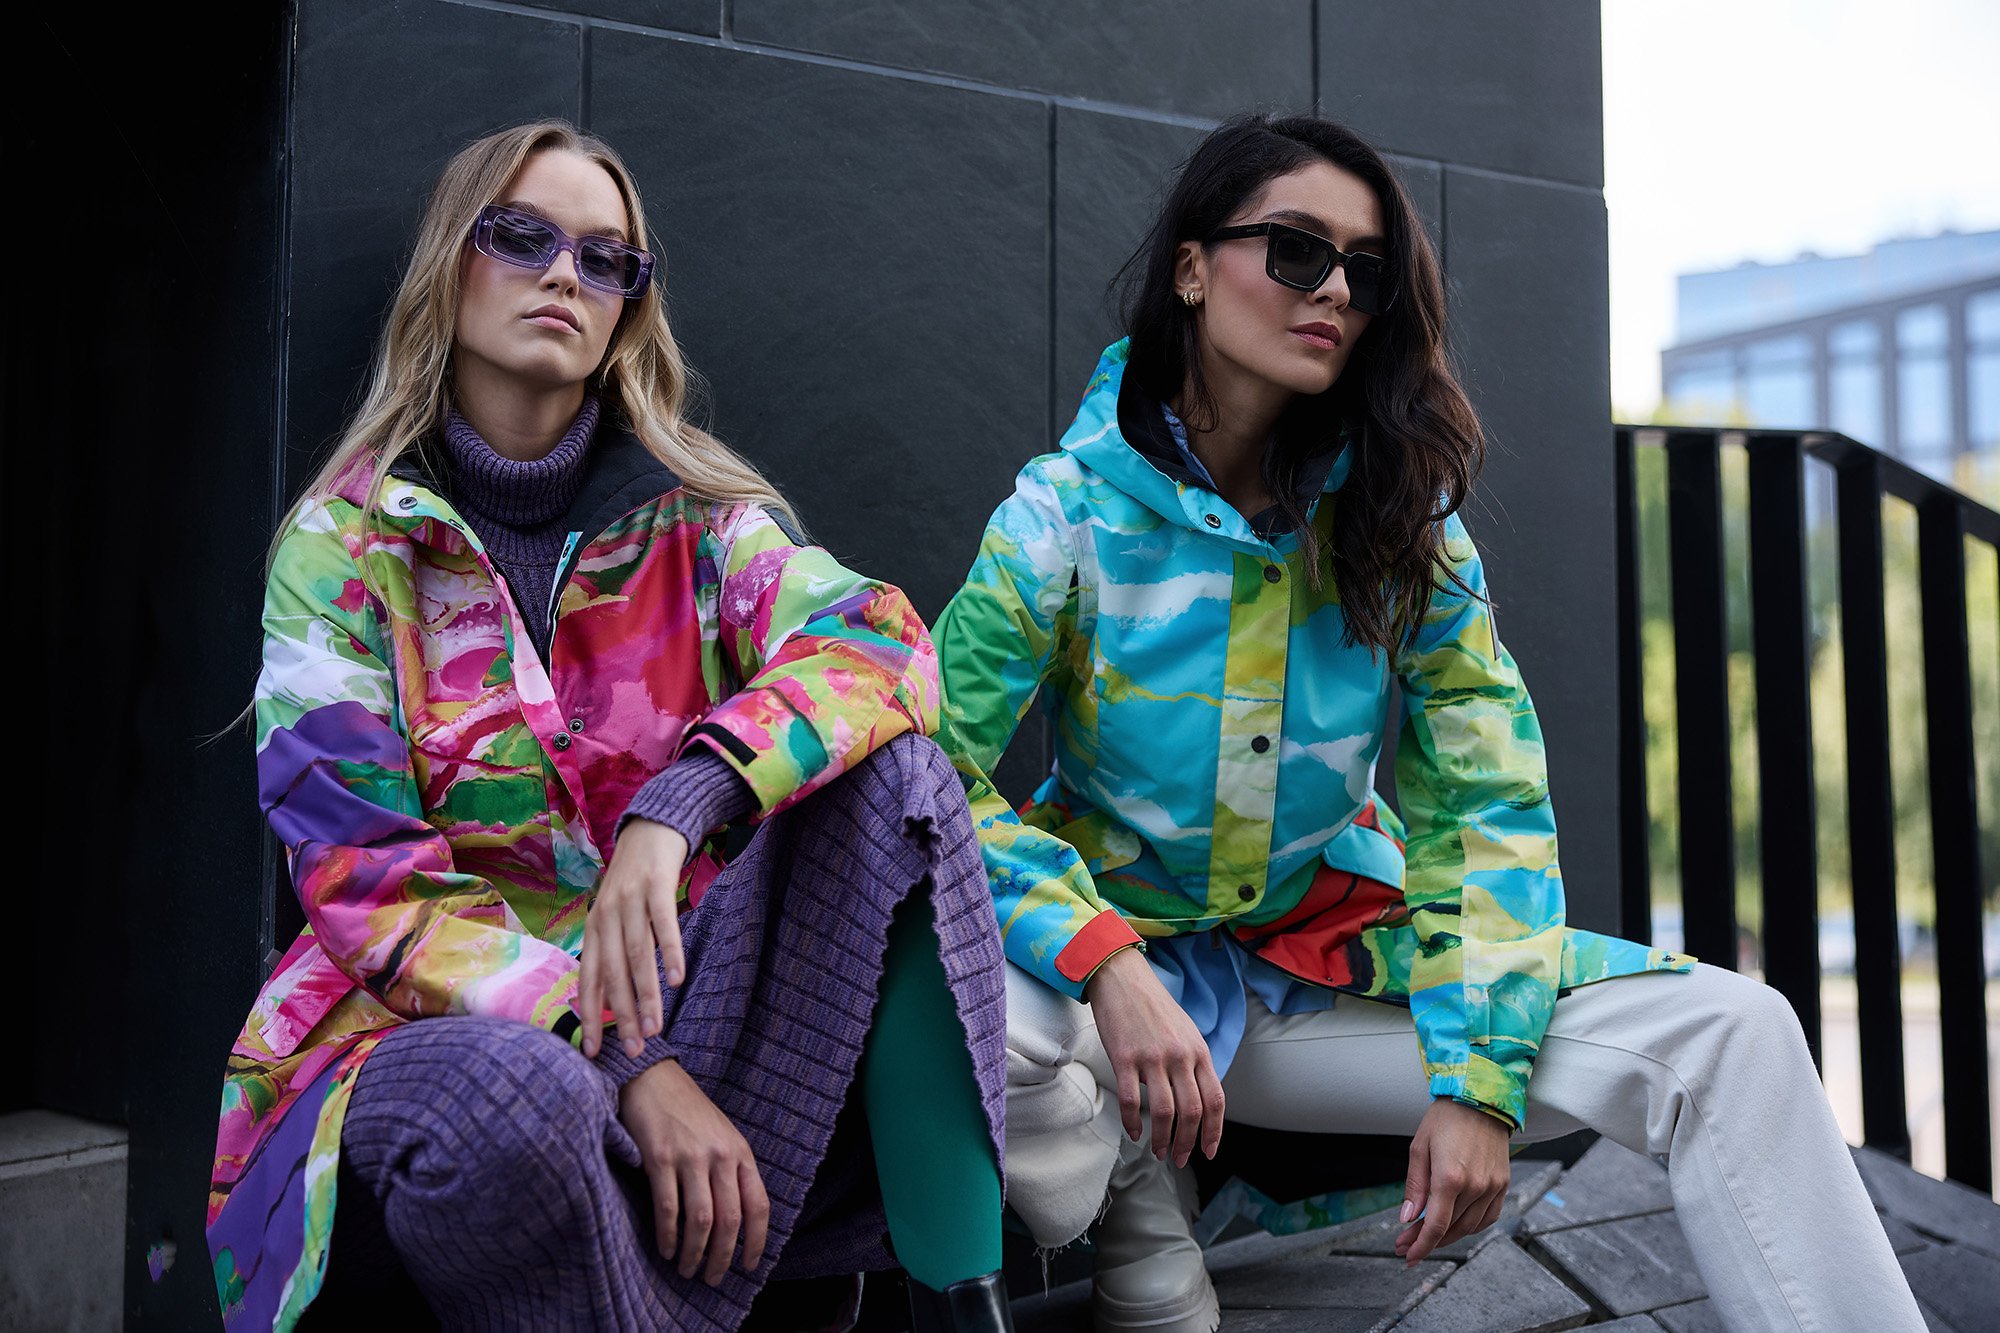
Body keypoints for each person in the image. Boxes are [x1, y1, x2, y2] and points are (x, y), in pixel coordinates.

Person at [934, 113, 1924, 1333]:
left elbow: (1486, 796)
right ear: (1191, 268)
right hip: (1111, 1008)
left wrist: (1478, 1083)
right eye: (1296, 250)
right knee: (986, 1014)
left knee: (1737, 1030)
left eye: (1364, 270)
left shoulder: (1401, 521)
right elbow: (933, 776)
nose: (1334, 291)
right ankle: (1147, 1219)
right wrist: (1105, 957)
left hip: (1325, 979)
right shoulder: (1061, 519)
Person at [207, 121, 1013, 1333]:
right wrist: (626, 1061)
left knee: (897, 780)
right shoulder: (343, 548)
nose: (561, 276)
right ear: (451, 261)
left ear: (628, 309)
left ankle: (960, 1307)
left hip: (691, 1004)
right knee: (523, 1101)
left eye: (603, 259)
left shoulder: (696, 523)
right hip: (414, 1041)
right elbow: (368, 891)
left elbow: (884, 644)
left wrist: (680, 804)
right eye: (521, 237)